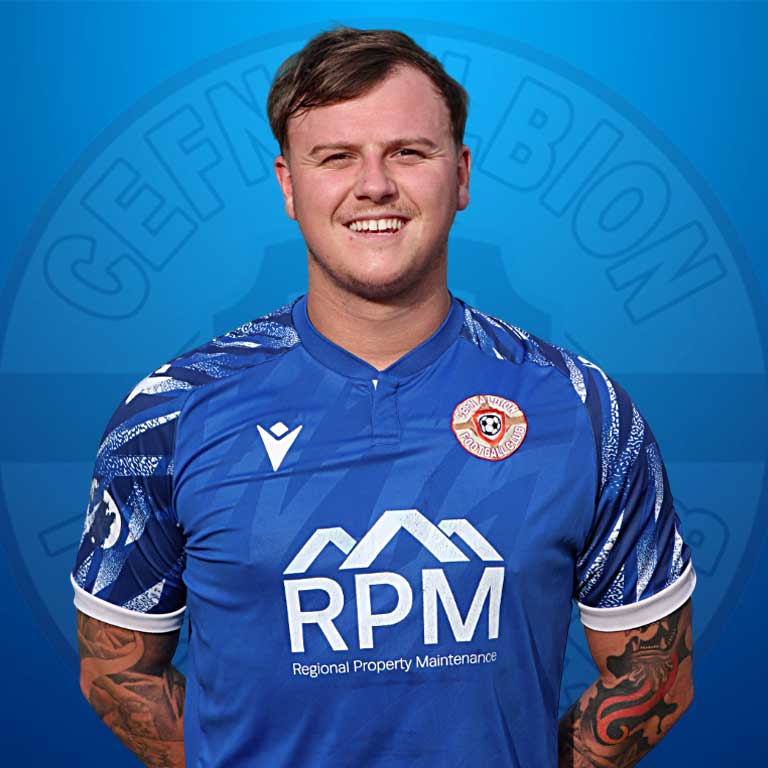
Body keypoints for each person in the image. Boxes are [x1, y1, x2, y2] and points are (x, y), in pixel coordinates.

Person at [71, 27, 695, 768]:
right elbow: (116, 668)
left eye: (408, 152)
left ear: (460, 176)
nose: (374, 185)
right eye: (336, 157)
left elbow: (656, 673)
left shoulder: (584, 410)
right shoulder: (171, 414)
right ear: (289, 185)